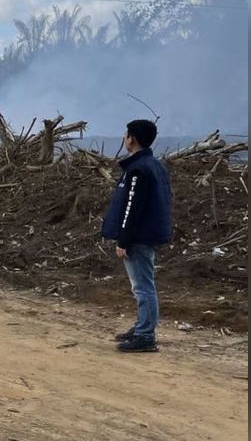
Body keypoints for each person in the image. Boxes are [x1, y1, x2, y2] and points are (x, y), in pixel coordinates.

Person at [101, 119, 173, 353]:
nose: (124, 137)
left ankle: (145, 336)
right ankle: (142, 326)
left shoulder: (138, 170)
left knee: (142, 287)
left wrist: (124, 239)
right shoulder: (155, 165)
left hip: (139, 237)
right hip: (149, 234)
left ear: (132, 138)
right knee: (142, 285)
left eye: (126, 134)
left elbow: (133, 207)